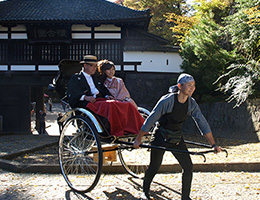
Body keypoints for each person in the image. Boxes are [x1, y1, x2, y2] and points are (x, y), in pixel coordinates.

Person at [133, 73, 222, 200]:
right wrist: (138, 139)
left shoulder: (191, 103)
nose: (192, 88)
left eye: (194, 86)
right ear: (180, 86)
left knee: (188, 166)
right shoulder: (167, 100)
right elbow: (151, 119)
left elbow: (202, 122)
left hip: (176, 137)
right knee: (154, 166)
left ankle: (185, 197)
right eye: (189, 85)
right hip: (161, 135)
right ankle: (145, 192)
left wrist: (213, 144)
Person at [67, 55, 144, 136]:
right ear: (85, 65)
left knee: (126, 104)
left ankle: (137, 129)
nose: (94, 68)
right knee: (111, 105)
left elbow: (103, 89)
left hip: (99, 100)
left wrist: (107, 95)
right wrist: (86, 97)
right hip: (88, 103)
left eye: (95, 66)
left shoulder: (95, 78)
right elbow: (72, 93)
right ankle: (115, 131)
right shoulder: (76, 78)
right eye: (92, 65)